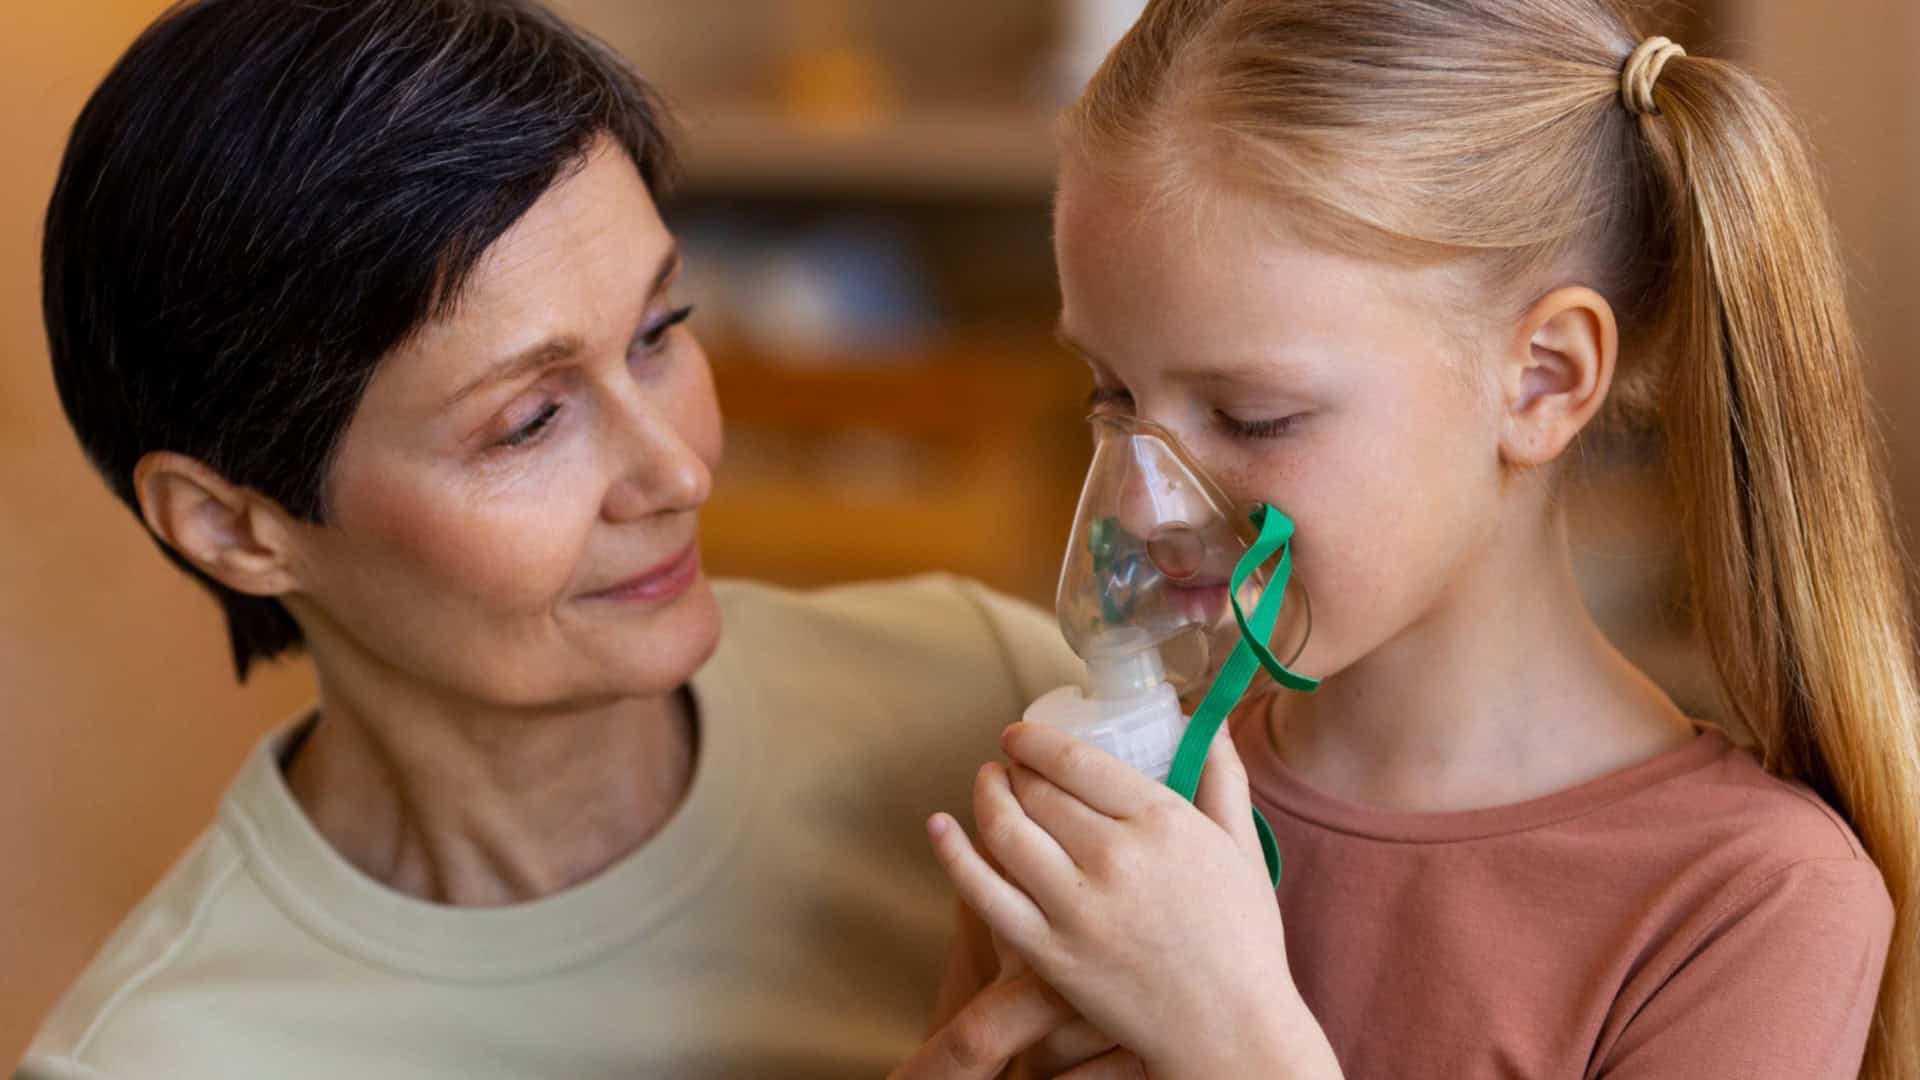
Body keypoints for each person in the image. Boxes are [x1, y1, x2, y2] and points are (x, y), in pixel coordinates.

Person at [20, 1, 1084, 1076]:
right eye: (529, 422)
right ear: (232, 528)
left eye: (660, 333)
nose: (677, 471)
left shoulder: (992, 704)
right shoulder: (159, 1059)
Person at [916, 1, 1920, 1077]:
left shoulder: (1751, 902)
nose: (1143, 510)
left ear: (1543, 379)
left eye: (1254, 415)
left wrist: (1235, 1042)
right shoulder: (1117, 830)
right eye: (1112, 396)